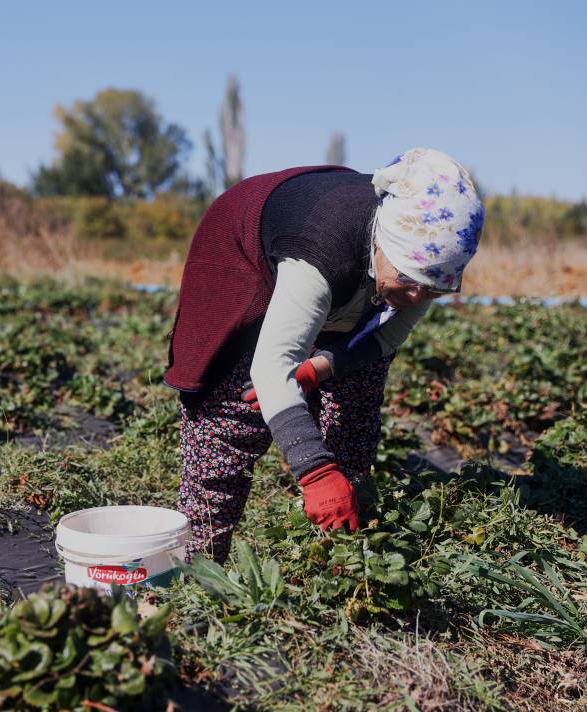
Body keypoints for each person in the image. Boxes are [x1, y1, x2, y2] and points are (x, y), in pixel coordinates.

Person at [164, 148, 485, 563]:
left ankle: (339, 553)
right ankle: (198, 567)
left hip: (344, 270)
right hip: (245, 253)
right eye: (409, 280)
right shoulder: (323, 250)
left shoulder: (428, 267)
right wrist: (314, 471)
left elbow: (382, 342)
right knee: (233, 416)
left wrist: (322, 366)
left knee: (354, 404)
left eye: (433, 289)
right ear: (384, 241)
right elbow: (271, 365)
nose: (417, 297)